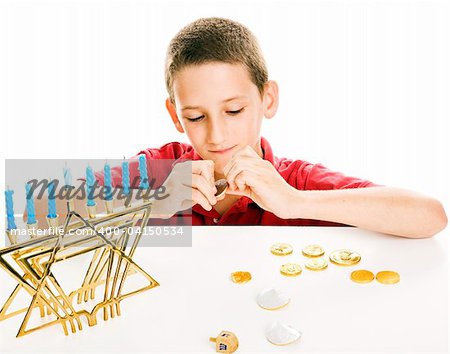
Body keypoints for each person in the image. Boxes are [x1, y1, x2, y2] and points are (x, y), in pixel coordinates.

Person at [27, 17, 447, 238]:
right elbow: (31, 214)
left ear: (268, 99)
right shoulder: (158, 168)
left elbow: (429, 216)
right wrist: (148, 196)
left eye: (233, 111)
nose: (216, 136)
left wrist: (296, 202)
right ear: (175, 116)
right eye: (196, 117)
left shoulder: (295, 181)